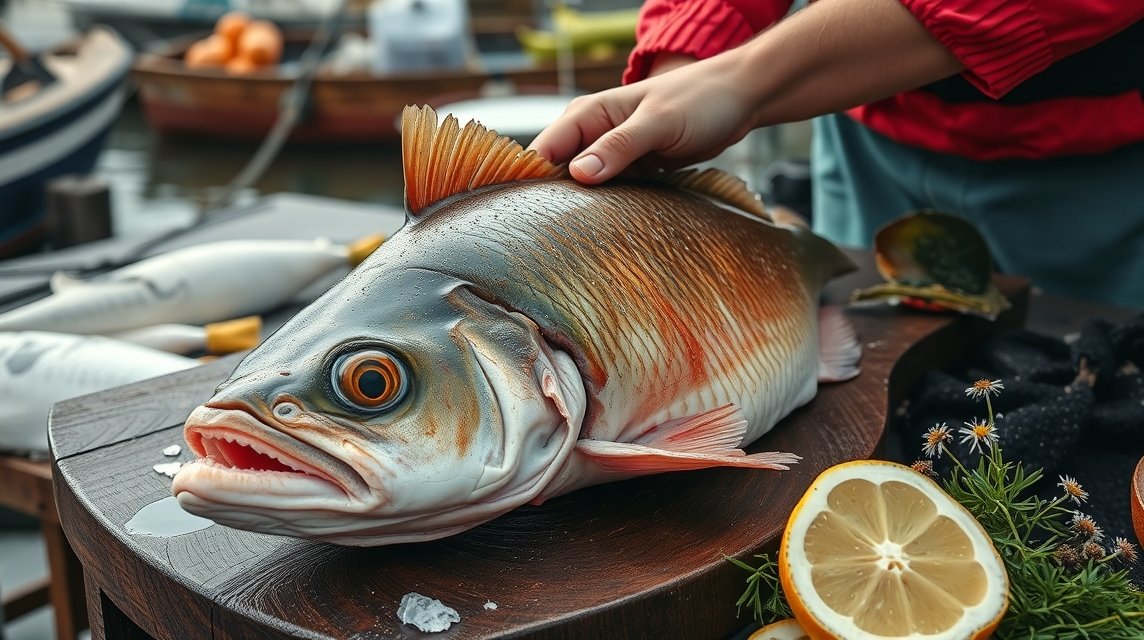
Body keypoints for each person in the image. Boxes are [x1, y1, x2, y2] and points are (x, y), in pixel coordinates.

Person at [528, 0, 1144, 309]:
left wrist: (744, 81)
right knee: (864, 345)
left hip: (1107, 166)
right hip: (867, 148)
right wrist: (678, 74)